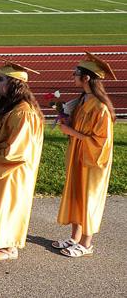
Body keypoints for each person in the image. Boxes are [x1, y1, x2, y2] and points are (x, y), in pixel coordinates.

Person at [0, 62, 44, 261]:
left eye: (1, 79)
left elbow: (17, 151)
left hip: (12, 169)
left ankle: (10, 247)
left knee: (7, 204)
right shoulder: (14, 107)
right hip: (1, 164)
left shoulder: (24, 113)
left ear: (15, 84)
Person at [52, 53, 116, 258]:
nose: (73, 75)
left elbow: (101, 141)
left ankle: (86, 244)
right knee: (76, 196)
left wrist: (72, 133)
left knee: (89, 199)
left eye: (76, 73)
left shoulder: (101, 107)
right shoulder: (82, 100)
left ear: (86, 78)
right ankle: (75, 237)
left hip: (93, 161)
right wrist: (66, 121)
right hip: (78, 156)